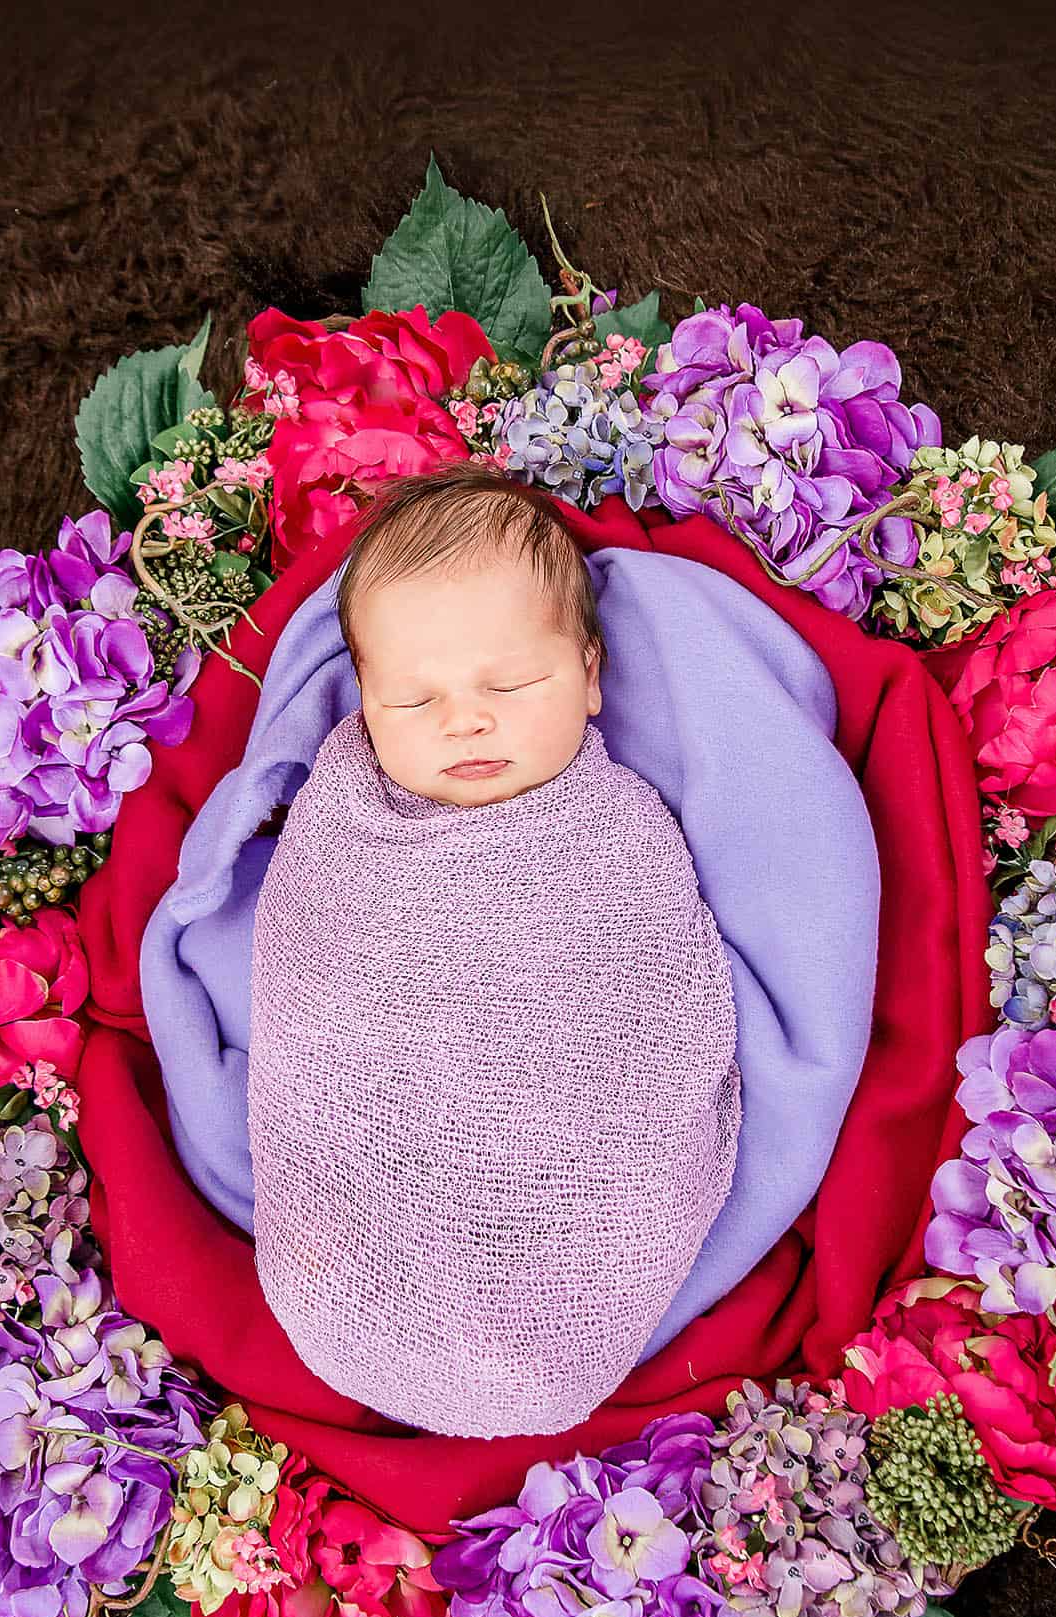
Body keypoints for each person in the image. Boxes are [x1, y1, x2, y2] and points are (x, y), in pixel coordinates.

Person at [245, 463, 745, 1439]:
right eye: (410, 701)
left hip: (560, 1182)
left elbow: (647, 1015)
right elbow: (312, 996)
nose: (463, 720)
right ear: (360, 702)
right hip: (382, 1171)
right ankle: (370, 1292)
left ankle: (550, 1318)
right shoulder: (339, 823)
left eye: (510, 683)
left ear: (592, 677)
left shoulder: (615, 836)